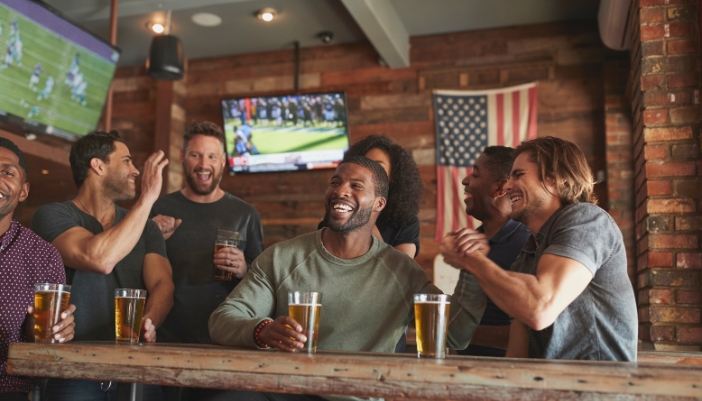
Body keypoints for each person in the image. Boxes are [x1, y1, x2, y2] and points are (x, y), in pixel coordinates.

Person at [208, 156, 480, 401]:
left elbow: (455, 336)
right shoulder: (282, 256)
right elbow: (223, 319)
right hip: (283, 389)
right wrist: (263, 330)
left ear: (379, 203)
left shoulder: (402, 271)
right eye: (335, 182)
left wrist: (473, 268)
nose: (340, 191)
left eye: (356, 185)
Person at [441, 136, 637, 361]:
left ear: (555, 179)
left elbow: (539, 309)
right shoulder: (527, 256)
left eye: (519, 175)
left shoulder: (586, 220)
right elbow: (517, 354)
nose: (506, 186)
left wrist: (471, 260)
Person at [31, 131, 174, 400]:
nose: (135, 171)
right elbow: (98, 258)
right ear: (98, 166)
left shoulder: (146, 227)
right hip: (72, 369)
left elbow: (163, 284)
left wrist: (149, 322)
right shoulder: (52, 216)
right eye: (127, 161)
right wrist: (147, 198)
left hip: (136, 367)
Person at [152, 121, 264, 345]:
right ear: (182, 156)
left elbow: (263, 281)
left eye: (212, 157)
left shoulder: (246, 214)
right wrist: (150, 236)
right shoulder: (157, 209)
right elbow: (134, 271)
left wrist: (243, 269)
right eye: (196, 155)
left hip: (226, 338)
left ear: (223, 160)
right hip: (165, 338)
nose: (204, 164)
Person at [0, 137, 75, 401]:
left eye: (7, 172)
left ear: (23, 191)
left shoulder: (43, 257)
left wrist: (55, 331)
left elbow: (37, 346)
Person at [447, 146, 530, 357]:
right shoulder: (475, 239)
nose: (466, 181)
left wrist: (460, 334)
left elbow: (536, 329)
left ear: (500, 188)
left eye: (475, 174)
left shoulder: (528, 242)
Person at [319, 135, 423, 259]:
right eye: (364, 165)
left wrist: (368, 211)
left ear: (393, 176)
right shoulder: (341, 209)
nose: (368, 172)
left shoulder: (407, 221)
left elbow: (399, 271)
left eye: (378, 167)